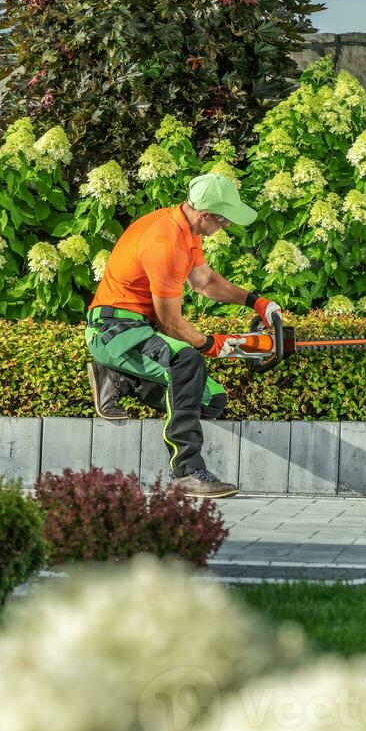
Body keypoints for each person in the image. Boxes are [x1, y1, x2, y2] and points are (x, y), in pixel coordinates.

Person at [84, 173, 282, 499]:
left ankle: (119, 380)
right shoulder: (165, 243)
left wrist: (256, 301)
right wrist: (209, 344)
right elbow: (170, 324)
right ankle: (187, 472)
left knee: (211, 400)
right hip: (114, 331)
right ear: (205, 215)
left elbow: (205, 282)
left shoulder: (186, 231)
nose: (226, 226)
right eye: (224, 220)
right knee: (186, 360)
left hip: (137, 330)